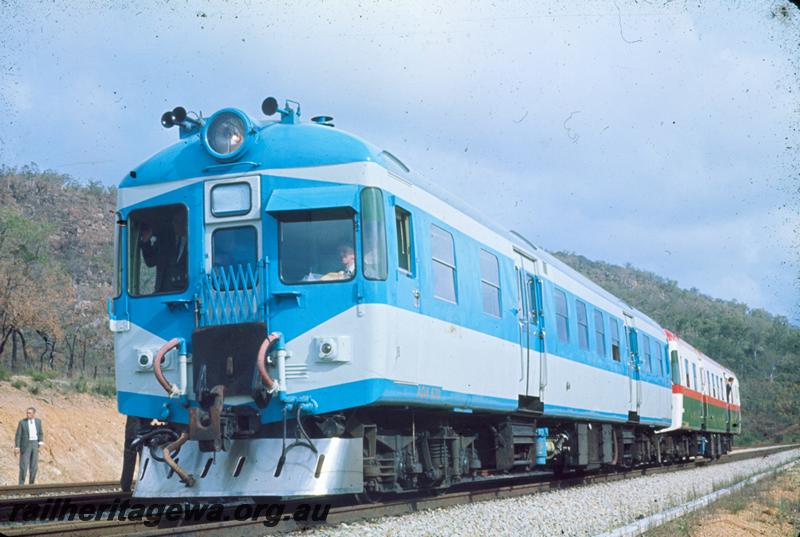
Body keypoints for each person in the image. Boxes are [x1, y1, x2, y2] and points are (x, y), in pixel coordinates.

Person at [139, 210, 188, 292]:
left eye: (181, 221)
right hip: (163, 293)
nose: (177, 224)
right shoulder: (164, 241)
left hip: (185, 293)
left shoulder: (195, 243)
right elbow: (150, 261)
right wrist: (146, 242)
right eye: (175, 221)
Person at [15, 407, 44, 485]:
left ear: (34, 414)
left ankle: (31, 485)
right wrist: (17, 446)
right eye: (27, 413)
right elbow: (18, 435)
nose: (28, 414)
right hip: (25, 445)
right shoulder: (22, 422)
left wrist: (40, 443)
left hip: (35, 444)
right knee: (23, 466)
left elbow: (40, 433)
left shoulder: (38, 421)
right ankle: (21, 485)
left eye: (30, 413)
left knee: (34, 467)